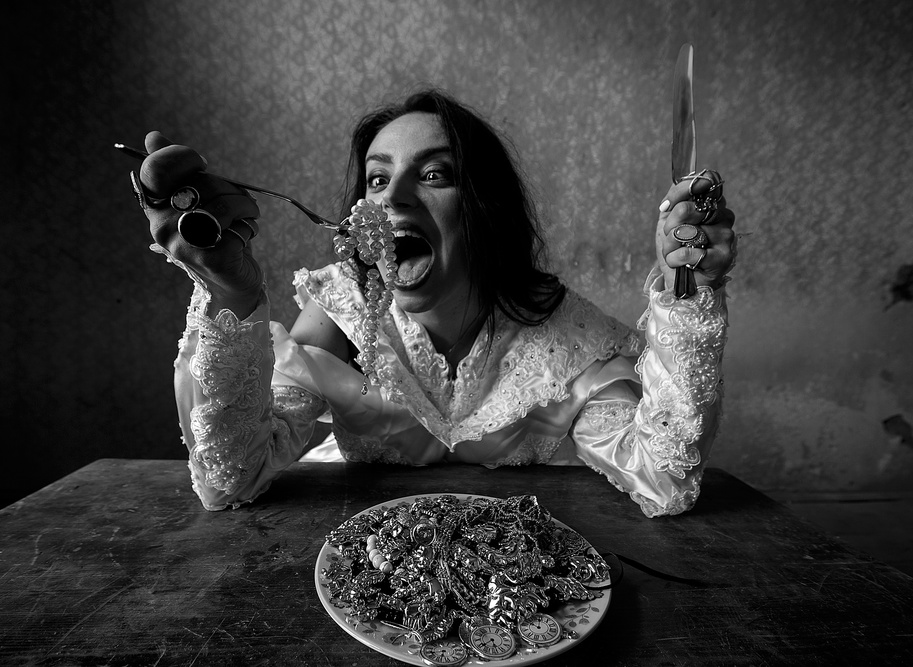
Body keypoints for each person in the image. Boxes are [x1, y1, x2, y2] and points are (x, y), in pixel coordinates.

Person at [132, 89, 736, 518]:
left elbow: (663, 481)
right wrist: (231, 293)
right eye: (376, 178)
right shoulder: (344, 309)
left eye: (434, 175)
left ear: (484, 209)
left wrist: (689, 293)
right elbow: (229, 481)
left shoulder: (566, 334)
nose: (392, 197)